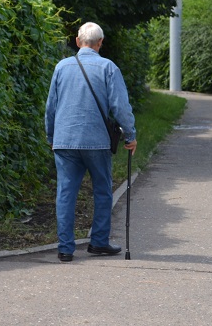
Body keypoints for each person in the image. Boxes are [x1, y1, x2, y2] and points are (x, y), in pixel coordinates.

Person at [45, 22, 137, 262]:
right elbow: (120, 106)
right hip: (97, 141)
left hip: (65, 141)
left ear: (77, 41)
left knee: (65, 193)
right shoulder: (108, 67)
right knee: (103, 191)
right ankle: (98, 243)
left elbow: (51, 108)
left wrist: (51, 137)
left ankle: (65, 249)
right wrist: (130, 135)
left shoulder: (61, 67)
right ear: (100, 43)